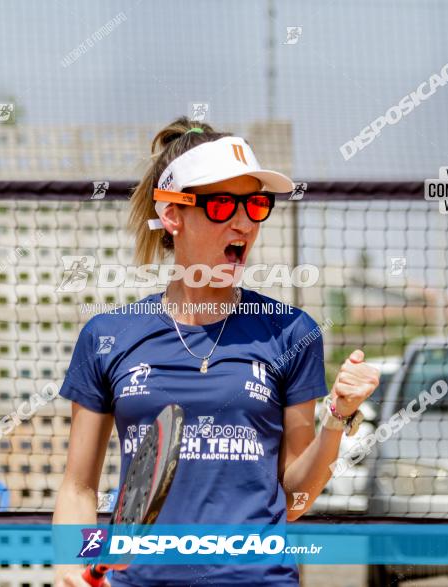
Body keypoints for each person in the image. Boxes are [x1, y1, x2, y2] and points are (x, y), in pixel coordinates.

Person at [52, 117, 380, 586]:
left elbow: (296, 500)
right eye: (224, 204)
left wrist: (338, 416)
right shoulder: (108, 335)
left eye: (256, 204)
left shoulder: (292, 332)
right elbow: (79, 486)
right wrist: (74, 564)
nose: (245, 222)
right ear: (172, 215)